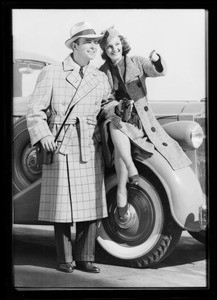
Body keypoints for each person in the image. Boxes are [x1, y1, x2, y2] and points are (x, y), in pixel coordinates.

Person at [26, 21, 115, 274]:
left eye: (96, 43)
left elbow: (105, 105)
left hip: (89, 145)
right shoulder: (53, 72)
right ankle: (65, 258)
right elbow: (35, 111)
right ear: (74, 45)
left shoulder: (99, 77)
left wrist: (116, 108)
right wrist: (43, 134)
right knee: (62, 206)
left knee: (91, 206)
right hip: (60, 144)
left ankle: (86, 257)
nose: (94, 47)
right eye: (88, 42)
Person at [98, 27, 192, 223]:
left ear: (122, 45)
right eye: (109, 47)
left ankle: (122, 191)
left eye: (117, 45)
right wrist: (117, 108)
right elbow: (104, 102)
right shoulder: (102, 73)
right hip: (118, 118)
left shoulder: (137, 62)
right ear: (105, 51)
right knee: (115, 125)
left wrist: (157, 60)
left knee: (118, 139)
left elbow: (156, 71)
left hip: (140, 121)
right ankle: (129, 176)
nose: (114, 49)